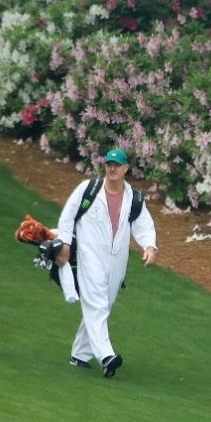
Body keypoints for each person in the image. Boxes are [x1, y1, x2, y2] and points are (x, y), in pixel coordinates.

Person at [53, 148, 157, 378]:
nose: (112, 168)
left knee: (103, 305)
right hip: (89, 255)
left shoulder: (134, 198)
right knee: (97, 303)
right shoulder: (88, 189)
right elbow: (68, 216)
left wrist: (149, 246)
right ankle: (107, 356)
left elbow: (143, 224)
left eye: (117, 165)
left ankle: (80, 353)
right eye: (109, 164)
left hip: (117, 260)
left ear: (126, 169)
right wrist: (65, 243)